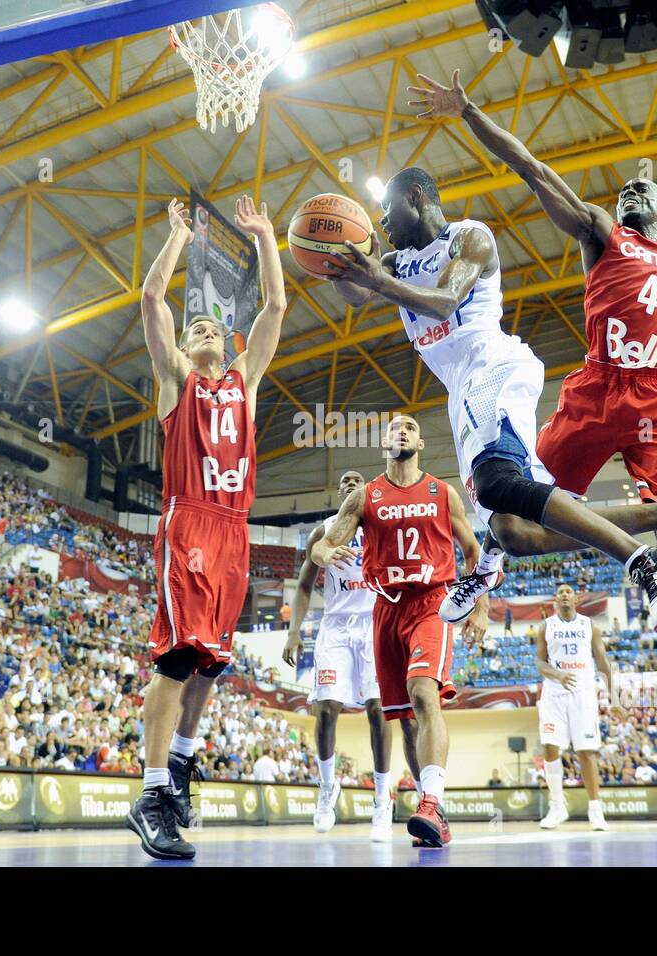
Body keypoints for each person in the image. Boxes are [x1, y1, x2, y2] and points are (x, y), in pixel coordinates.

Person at [323, 164, 657, 735]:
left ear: (416, 197)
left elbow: (445, 301)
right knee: (517, 530)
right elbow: (355, 291)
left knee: (499, 485)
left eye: (385, 210)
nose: (380, 222)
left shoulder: (469, 237)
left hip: (500, 371)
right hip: (529, 391)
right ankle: (506, 561)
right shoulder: (396, 262)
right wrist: (334, 258)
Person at [409, 71, 657, 737]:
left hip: (653, 396)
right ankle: (494, 560)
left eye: (640, 191)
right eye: (624, 188)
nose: (627, 193)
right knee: (512, 515)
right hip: (602, 390)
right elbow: (533, 169)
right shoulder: (606, 234)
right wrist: (471, 111)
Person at [124, 196, 287, 862]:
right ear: (187, 349)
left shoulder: (244, 383)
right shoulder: (176, 383)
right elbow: (152, 297)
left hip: (235, 529)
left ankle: (183, 760)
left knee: (211, 665)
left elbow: (274, 308)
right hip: (189, 520)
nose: (203, 331)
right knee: (175, 658)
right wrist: (177, 238)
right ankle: (152, 792)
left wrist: (268, 238)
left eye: (211, 327)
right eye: (194, 331)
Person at [312, 415, 489, 848]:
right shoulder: (365, 496)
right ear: (384, 443)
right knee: (406, 720)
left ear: (421, 442)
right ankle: (433, 809)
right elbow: (325, 543)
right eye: (394, 429)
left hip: (431, 603)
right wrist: (321, 554)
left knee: (424, 694)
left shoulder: (441, 492)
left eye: (410, 426)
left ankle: (430, 801)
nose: (402, 431)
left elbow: (474, 553)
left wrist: (480, 607)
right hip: (385, 609)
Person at [282, 470, 393, 842]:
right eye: (343, 481)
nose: (349, 483)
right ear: (339, 492)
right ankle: (327, 789)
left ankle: (381, 797)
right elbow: (301, 586)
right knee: (326, 709)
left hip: (374, 623)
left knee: (378, 710)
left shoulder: (382, 523)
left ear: (365, 489)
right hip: (336, 626)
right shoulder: (325, 530)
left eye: (356, 479)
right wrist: (294, 631)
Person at [535, 584, 615, 831]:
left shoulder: (590, 625)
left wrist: (615, 697)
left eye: (569, 591)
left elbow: (602, 661)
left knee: (586, 752)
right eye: (560, 592)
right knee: (550, 746)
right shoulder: (546, 626)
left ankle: (595, 810)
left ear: (577, 599)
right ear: (555, 600)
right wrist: (557, 674)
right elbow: (539, 662)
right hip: (554, 693)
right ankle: (558, 806)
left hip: (582, 693)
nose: (564, 594)